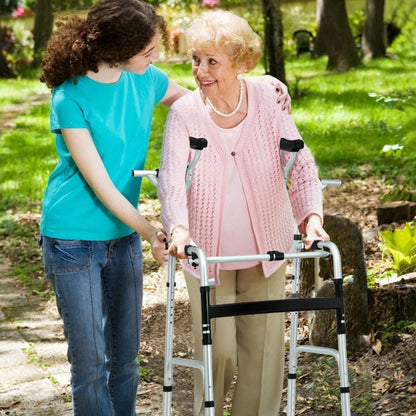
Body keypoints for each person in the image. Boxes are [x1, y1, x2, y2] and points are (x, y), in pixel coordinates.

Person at [39, 1, 289, 415]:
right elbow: (101, 186)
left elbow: (208, 102)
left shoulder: (145, 80)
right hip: (73, 238)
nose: (157, 56)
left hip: (121, 237)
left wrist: (258, 83)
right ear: (121, 48)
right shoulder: (69, 97)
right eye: (149, 49)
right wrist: (154, 229)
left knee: (125, 361)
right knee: (90, 364)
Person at [158, 10, 330, 416]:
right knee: (220, 353)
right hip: (207, 257)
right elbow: (170, 179)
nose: (201, 70)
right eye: (196, 59)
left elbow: (300, 165)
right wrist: (178, 229)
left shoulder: (270, 102)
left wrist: (312, 219)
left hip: (266, 252)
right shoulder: (184, 113)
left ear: (240, 63)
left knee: (265, 355)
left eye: (212, 61)